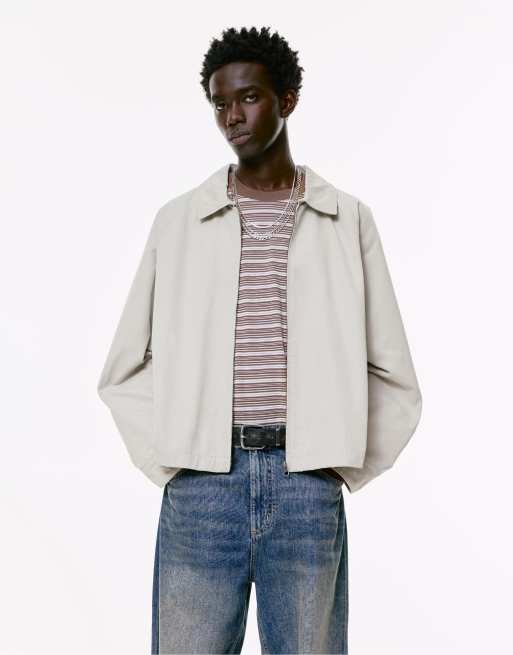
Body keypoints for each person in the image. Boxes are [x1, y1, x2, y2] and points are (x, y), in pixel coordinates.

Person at [97, 26, 422, 655]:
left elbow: (393, 371)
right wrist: (174, 456)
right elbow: (123, 368)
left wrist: (335, 462)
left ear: (287, 99)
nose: (232, 117)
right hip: (201, 488)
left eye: (248, 98)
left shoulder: (346, 220)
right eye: (220, 103)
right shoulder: (179, 221)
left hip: (306, 489)